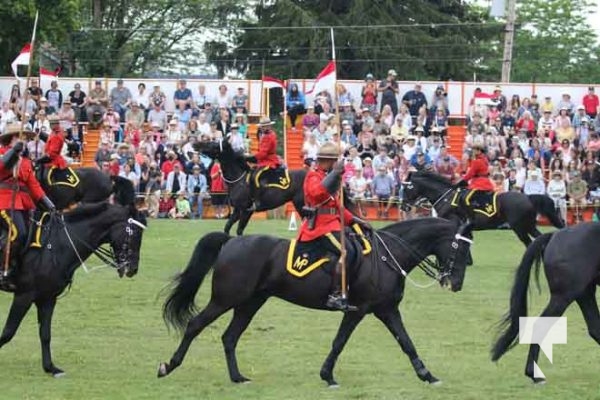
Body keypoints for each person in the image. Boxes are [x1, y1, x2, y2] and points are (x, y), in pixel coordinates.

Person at [297, 141, 372, 312]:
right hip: (319, 227)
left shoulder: (328, 179)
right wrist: (335, 174)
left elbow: (337, 207)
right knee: (346, 251)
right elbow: (316, 195)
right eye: (334, 163)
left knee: (356, 247)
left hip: (333, 224)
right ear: (328, 162)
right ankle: (335, 295)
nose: (336, 166)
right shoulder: (313, 176)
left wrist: (355, 221)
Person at [0, 125, 56, 290]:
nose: (23, 141)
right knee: (18, 233)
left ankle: (19, 269)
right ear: (11, 139)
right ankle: (3, 270)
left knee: (32, 235)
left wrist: (48, 204)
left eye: (24, 138)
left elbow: (33, 184)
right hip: (3, 201)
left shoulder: (25, 161)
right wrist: (12, 153)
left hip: (21, 203)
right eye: (19, 138)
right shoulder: (3, 153)